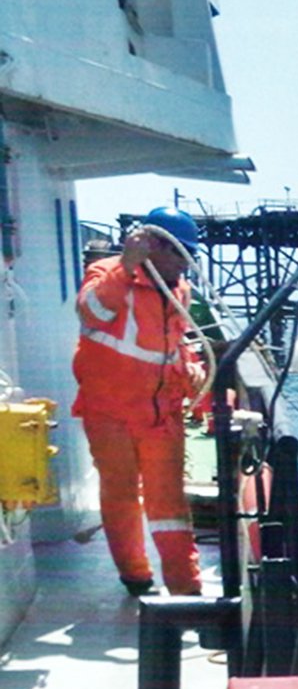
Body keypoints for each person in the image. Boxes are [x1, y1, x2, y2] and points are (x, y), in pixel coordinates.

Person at [73, 206, 206, 596]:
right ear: (152, 246)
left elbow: (173, 343)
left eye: (190, 254)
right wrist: (126, 267)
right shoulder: (107, 273)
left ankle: (186, 588)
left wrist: (191, 368)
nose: (185, 263)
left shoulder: (179, 290)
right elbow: (91, 313)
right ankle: (135, 576)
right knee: (121, 497)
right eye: (180, 253)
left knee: (170, 505)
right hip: (109, 413)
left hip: (160, 415)